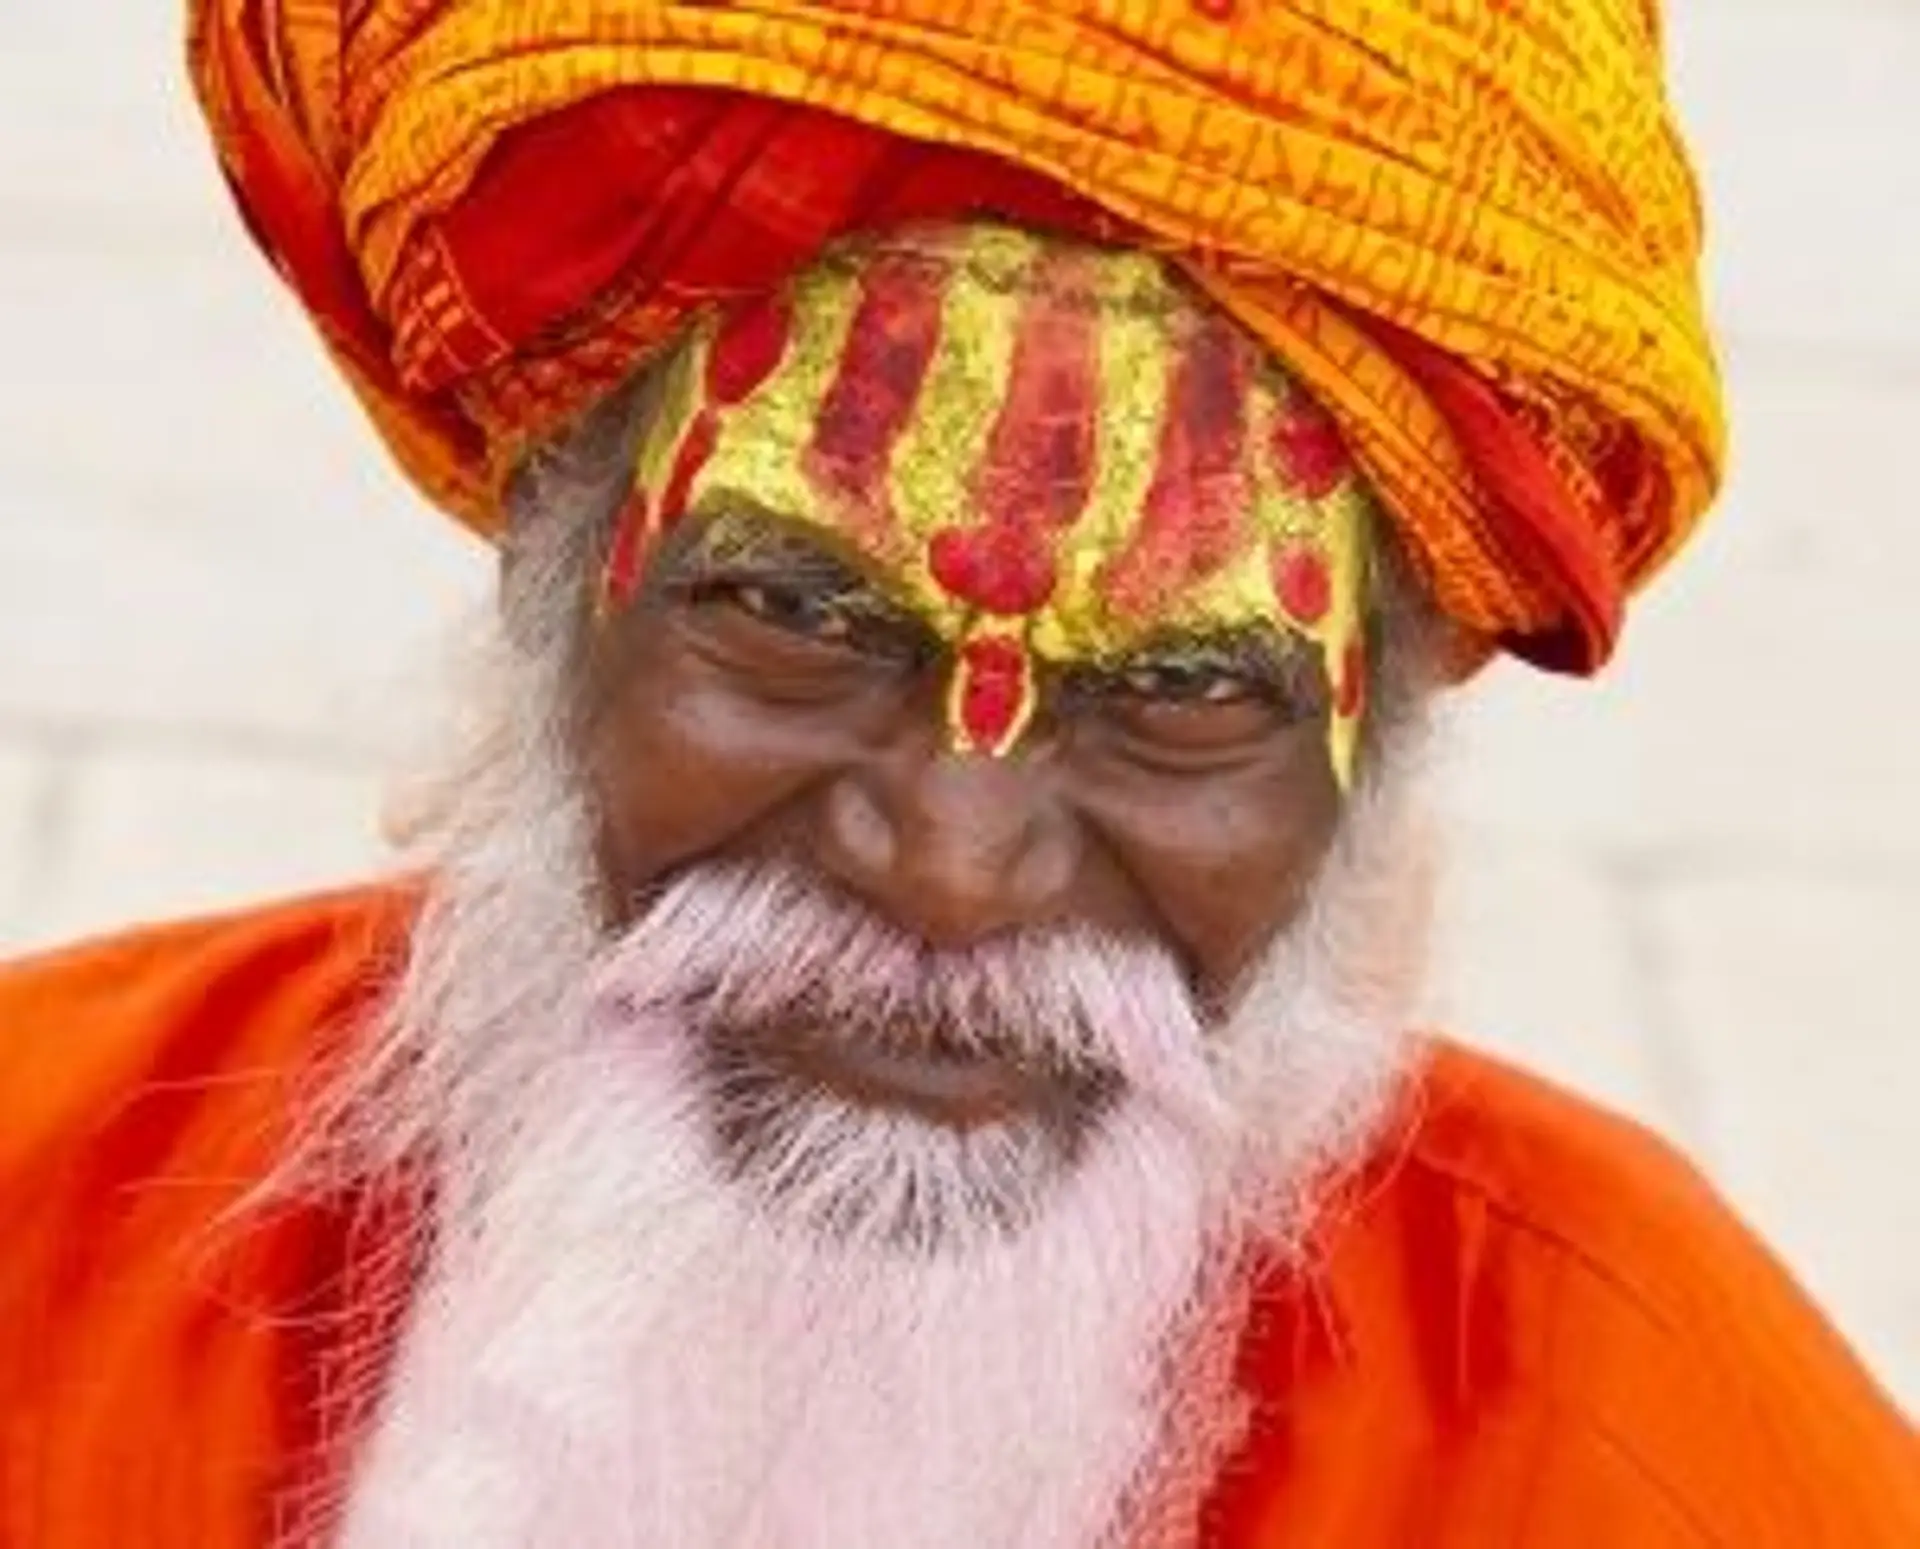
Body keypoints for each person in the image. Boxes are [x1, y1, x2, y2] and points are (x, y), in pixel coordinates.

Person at [3, 3, 1916, 1546]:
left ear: (1372, 781)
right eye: (797, 615)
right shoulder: (43, 1189)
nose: (949, 865)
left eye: (1180, 689)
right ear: (551, 595)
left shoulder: (1639, 1435)